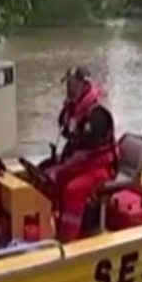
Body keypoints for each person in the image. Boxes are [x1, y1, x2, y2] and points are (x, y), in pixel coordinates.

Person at [44, 66, 117, 242]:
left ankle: (69, 239)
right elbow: (65, 131)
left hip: (100, 167)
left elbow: (85, 148)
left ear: (86, 86)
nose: (70, 89)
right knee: (50, 178)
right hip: (80, 163)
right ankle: (52, 226)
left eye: (74, 84)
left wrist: (61, 168)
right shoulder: (72, 109)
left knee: (73, 190)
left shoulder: (97, 115)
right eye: (68, 84)